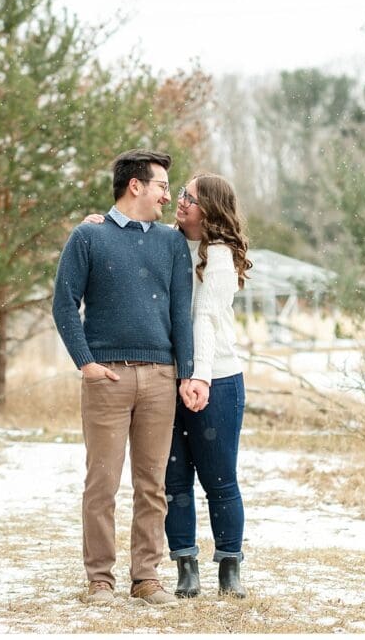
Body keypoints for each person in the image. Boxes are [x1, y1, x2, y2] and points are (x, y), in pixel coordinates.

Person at [84, 172, 253, 599]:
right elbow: (126, 235)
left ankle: (229, 568)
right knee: (171, 481)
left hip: (216, 376)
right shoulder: (166, 240)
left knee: (219, 480)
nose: (180, 202)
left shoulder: (218, 253)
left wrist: (198, 374)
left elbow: (205, 319)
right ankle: (185, 566)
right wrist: (97, 224)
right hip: (169, 378)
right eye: (180, 193)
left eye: (191, 198)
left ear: (211, 209)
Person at [52, 149, 195, 607]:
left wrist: (184, 373)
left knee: (152, 484)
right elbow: (63, 303)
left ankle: (147, 577)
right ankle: (100, 580)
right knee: (102, 483)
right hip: (106, 377)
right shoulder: (88, 237)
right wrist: (86, 362)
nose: (167, 196)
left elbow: (180, 315)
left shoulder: (171, 244)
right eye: (162, 186)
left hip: (159, 376)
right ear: (135, 185)